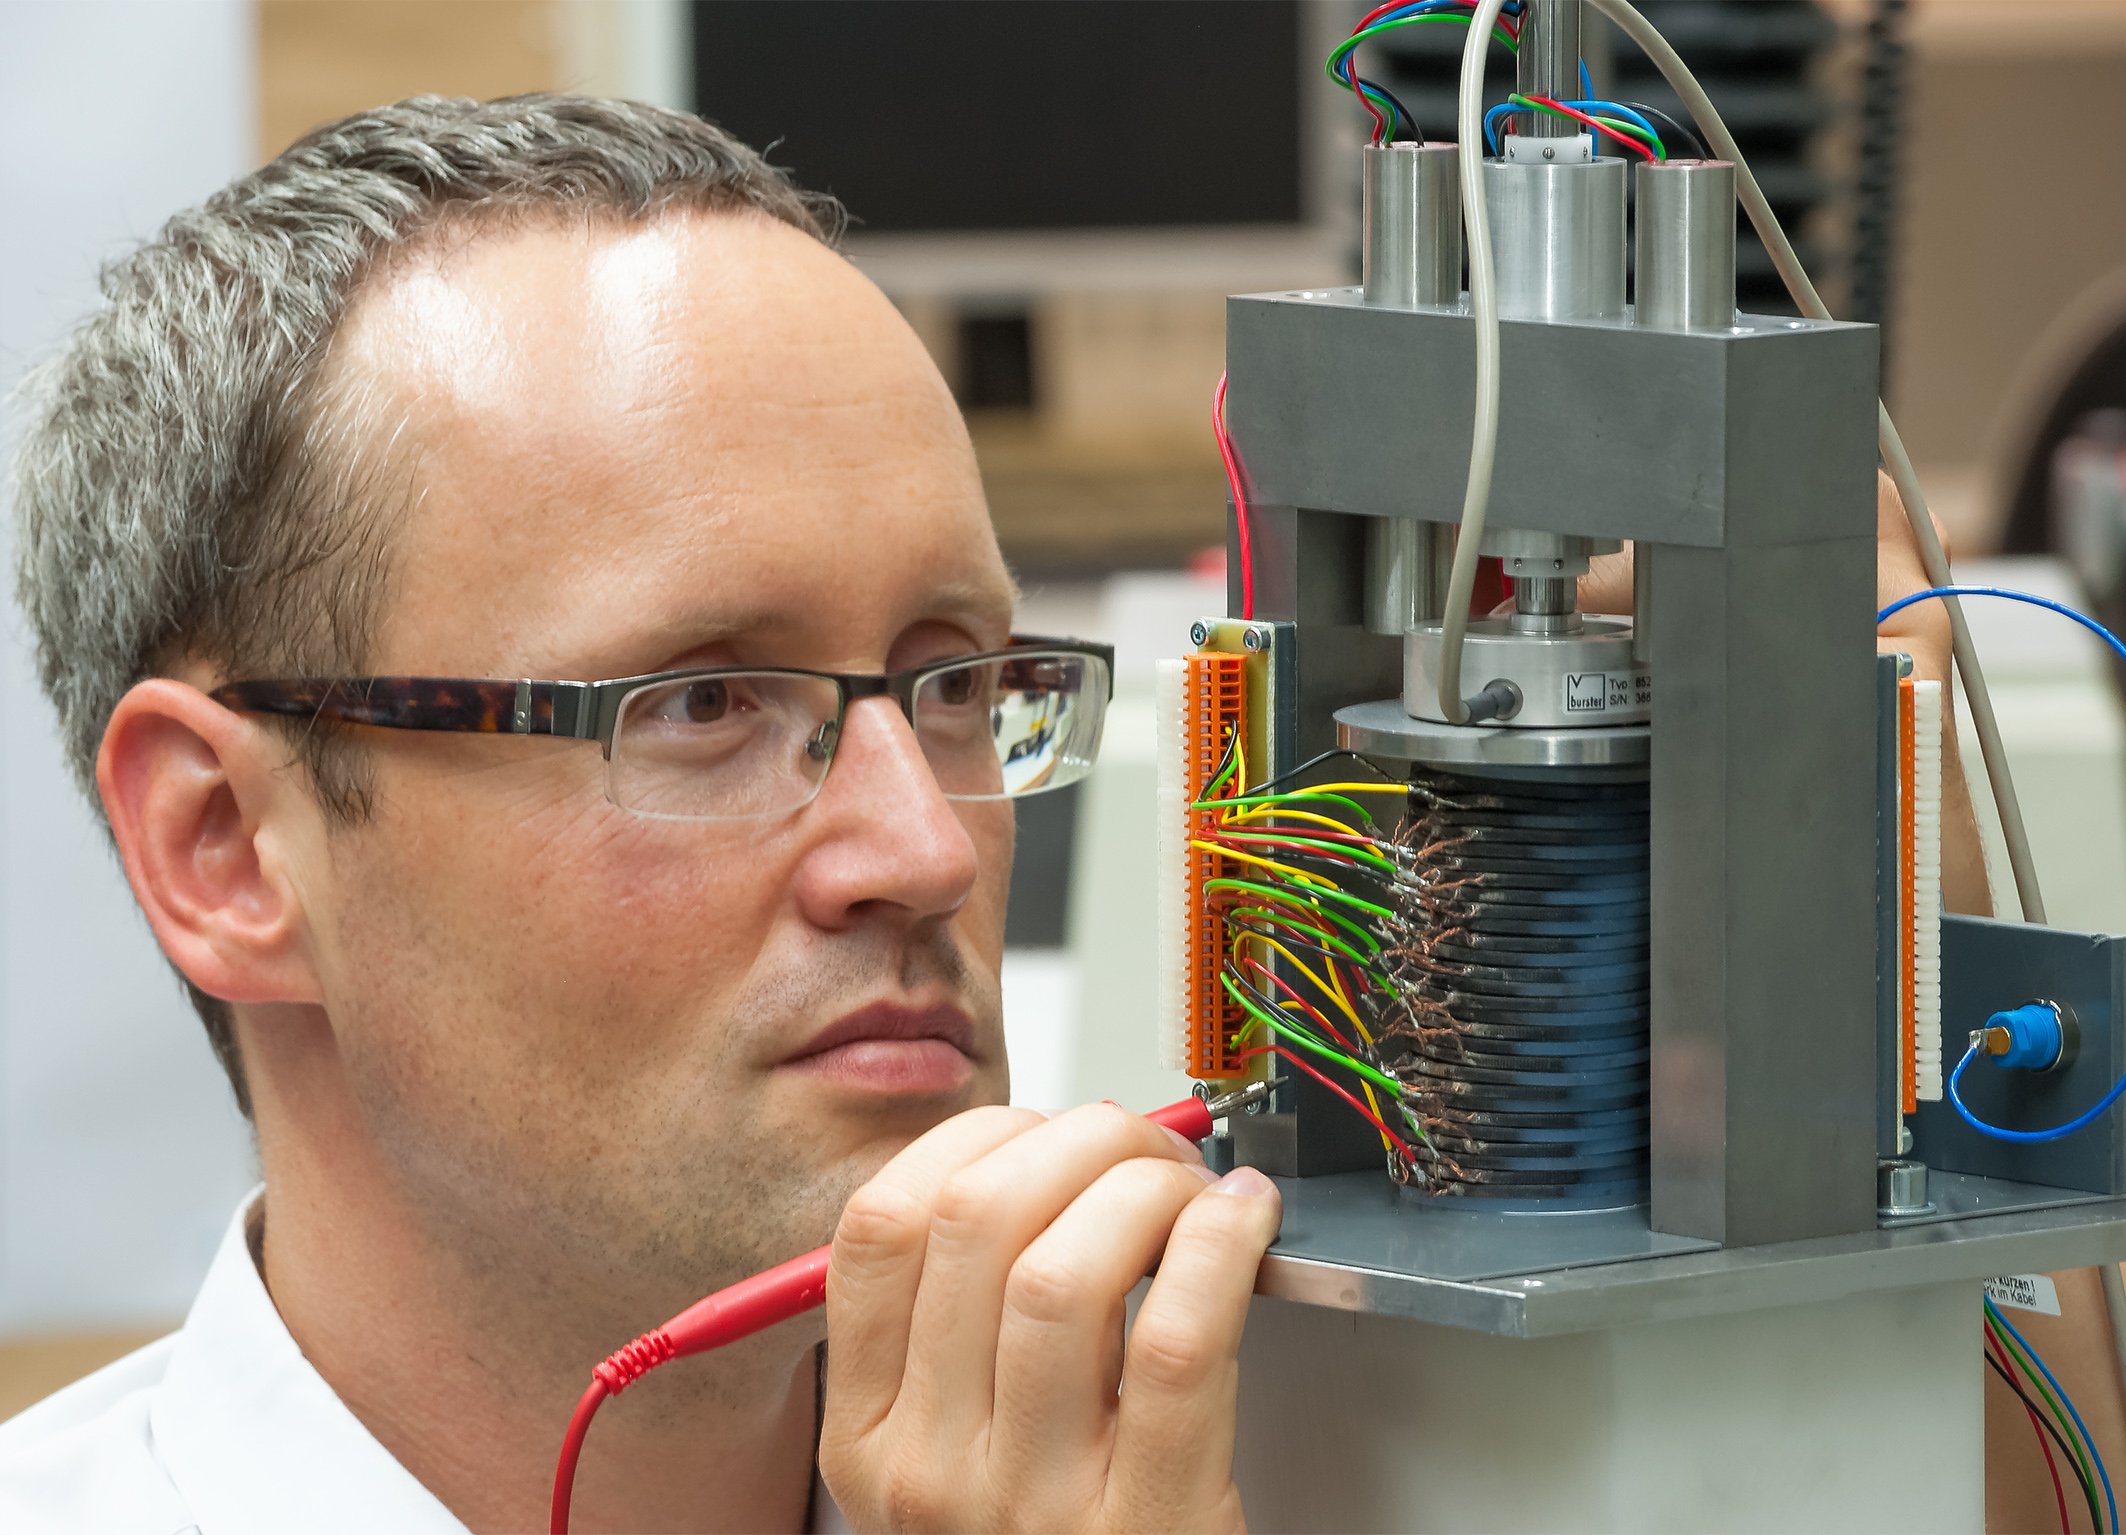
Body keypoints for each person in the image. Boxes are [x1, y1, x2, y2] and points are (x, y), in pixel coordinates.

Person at [0, 91, 1984, 1534]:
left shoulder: (1299, 1454)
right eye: (698, 702)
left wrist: (1885, 903)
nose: (926, 848)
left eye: (954, 684)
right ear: (225, 851)